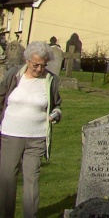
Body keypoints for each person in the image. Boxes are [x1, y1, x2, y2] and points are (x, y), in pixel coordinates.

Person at [0, 40, 62, 218]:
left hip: (36, 137)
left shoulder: (50, 80)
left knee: (32, 180)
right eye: (36, 65)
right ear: (27, 60)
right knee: (7, 180)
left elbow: (57, 105)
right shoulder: (14, 75)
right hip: (10, 135)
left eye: (43, 65)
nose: (39, 69)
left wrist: (56, 114)